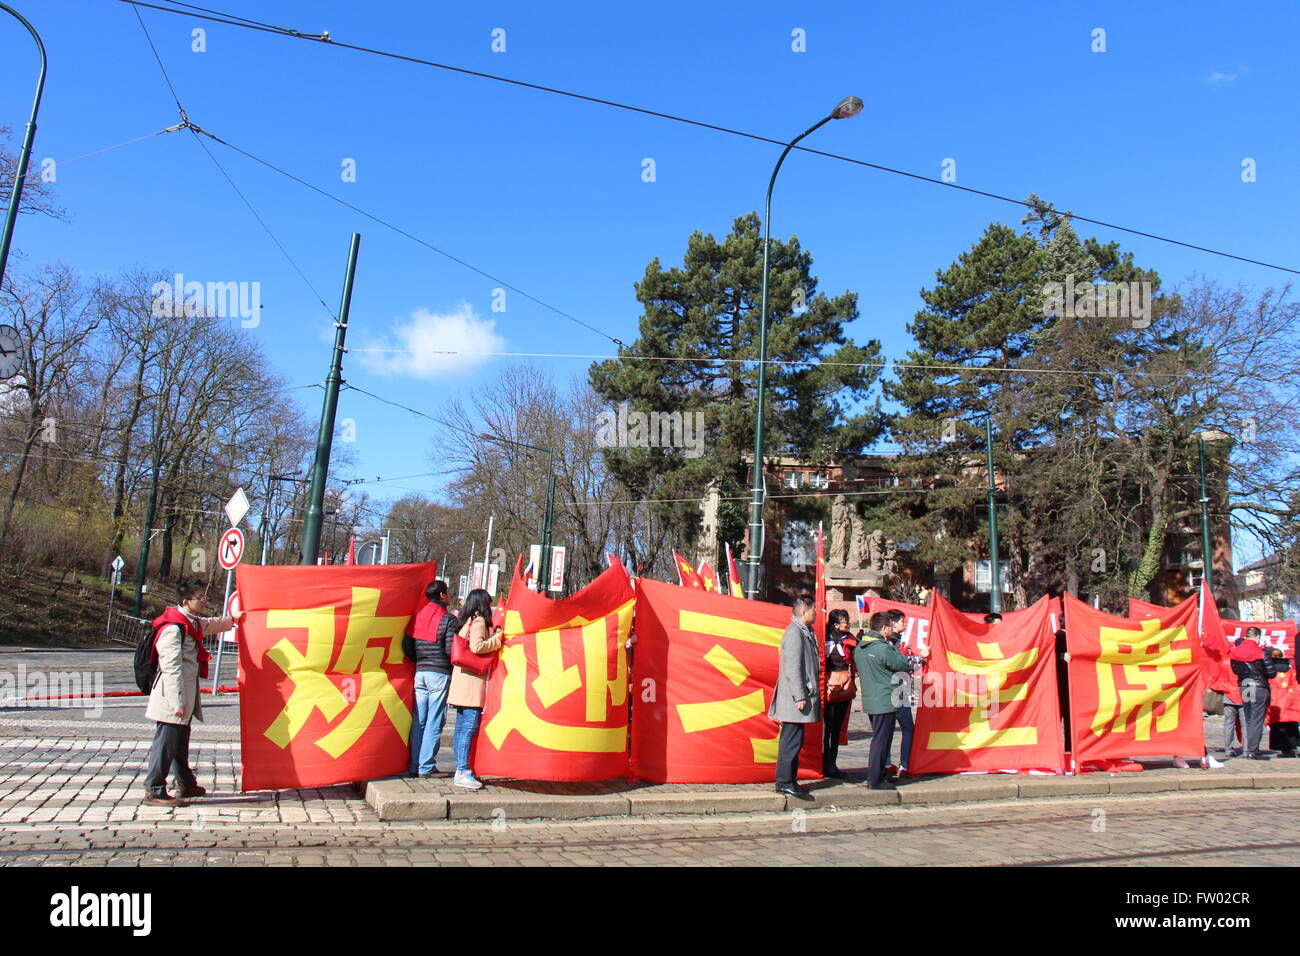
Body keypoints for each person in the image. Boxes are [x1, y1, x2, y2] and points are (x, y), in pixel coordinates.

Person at [142, 578, 233, 807]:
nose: (204, 601)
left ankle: (185, 783)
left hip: (183, 696)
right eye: (200, 597)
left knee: (179, 742)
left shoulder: (190, 622)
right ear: (185, 601)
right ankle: (154, 788)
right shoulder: (173, 629)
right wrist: (178, 702)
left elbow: (210, 624)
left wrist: (233, 620)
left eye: (204, 596)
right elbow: (171, 668)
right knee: (166, 742)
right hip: (172, 697)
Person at [447, 588, 503, 790]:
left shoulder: (467, 621)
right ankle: (463, 770)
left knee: (462, 727)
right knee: (469, 727)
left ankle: (460, 768)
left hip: (463, 681)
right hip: (471, 683)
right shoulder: (479, 621)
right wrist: (498, 639)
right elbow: (477, 647)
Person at [768, 594, 821, 799]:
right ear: (803, 612)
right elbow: (792, 668)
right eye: (813, 609)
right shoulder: (794, 634)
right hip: (794, 699)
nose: (816, 612)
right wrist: (799, 695)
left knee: (795, 741)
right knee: (791, 741)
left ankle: (789, 780)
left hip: (799, 698)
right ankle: (784, 781)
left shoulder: (804, 632)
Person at [402, 580, 455, 777]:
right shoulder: (448, 619)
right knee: (435, 720)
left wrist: (420, 660)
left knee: (419, 721)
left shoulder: (417, 616)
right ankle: (426, 765)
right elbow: (451, 649)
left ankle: (415, 764)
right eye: (448, 592)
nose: (450, 595)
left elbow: (407, 646)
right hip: (439, 672)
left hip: (420, 672)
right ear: (442, 595)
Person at [853, 610, 911, 790]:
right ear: (884, 628)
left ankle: (878, 776)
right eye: (890, 627)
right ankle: (875, 779)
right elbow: (903, 664)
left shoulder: (861, 647)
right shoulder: (883, 648)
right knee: (881, 740)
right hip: (885, 699)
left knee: (880, 739)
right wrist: (892, 647)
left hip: (871, 699)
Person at [1231, 626, 1278, 760]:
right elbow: (1271, 673)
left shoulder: (1235, 652)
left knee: (1249, 717)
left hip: (1245, 685)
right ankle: (1253, 750)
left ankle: (1249, 749)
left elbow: (1234, 670)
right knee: (1257, 719)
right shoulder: (1261, 652)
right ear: (1257, 637)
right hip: (1258, 686)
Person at [823, 609, 857, 779]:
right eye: (845, 620)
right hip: (828, 685)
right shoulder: (824, 639)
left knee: (836, 728)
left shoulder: (850, 640)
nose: (848, 623)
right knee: (827, 728)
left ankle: (832, 763)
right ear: (836, 624)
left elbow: (854, 662)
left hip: (845, 686)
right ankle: (825, 763)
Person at [885, 608, 919, 778]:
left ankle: (888, 763)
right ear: (892, 623)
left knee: (889, 729)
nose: (904, 624)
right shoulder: (892, 644)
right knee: (906, 728)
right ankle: (903, 764)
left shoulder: (893, 641)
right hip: (897, 691)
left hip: (897, 690)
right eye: (901, 621)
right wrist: (921, 658)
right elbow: (903, 664)